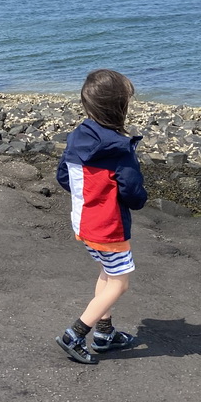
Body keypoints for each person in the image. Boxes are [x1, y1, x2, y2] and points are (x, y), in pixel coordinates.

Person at [55, 69, 148, 364]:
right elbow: (132, 192)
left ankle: (105, 333)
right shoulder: (120, 149)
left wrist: (91, 195)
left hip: (84, 221)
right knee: (120, 282)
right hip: (109, 228)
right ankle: (76, 333)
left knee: (106, 274)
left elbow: (63, 176)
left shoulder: (77, 138)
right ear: (121, 107)